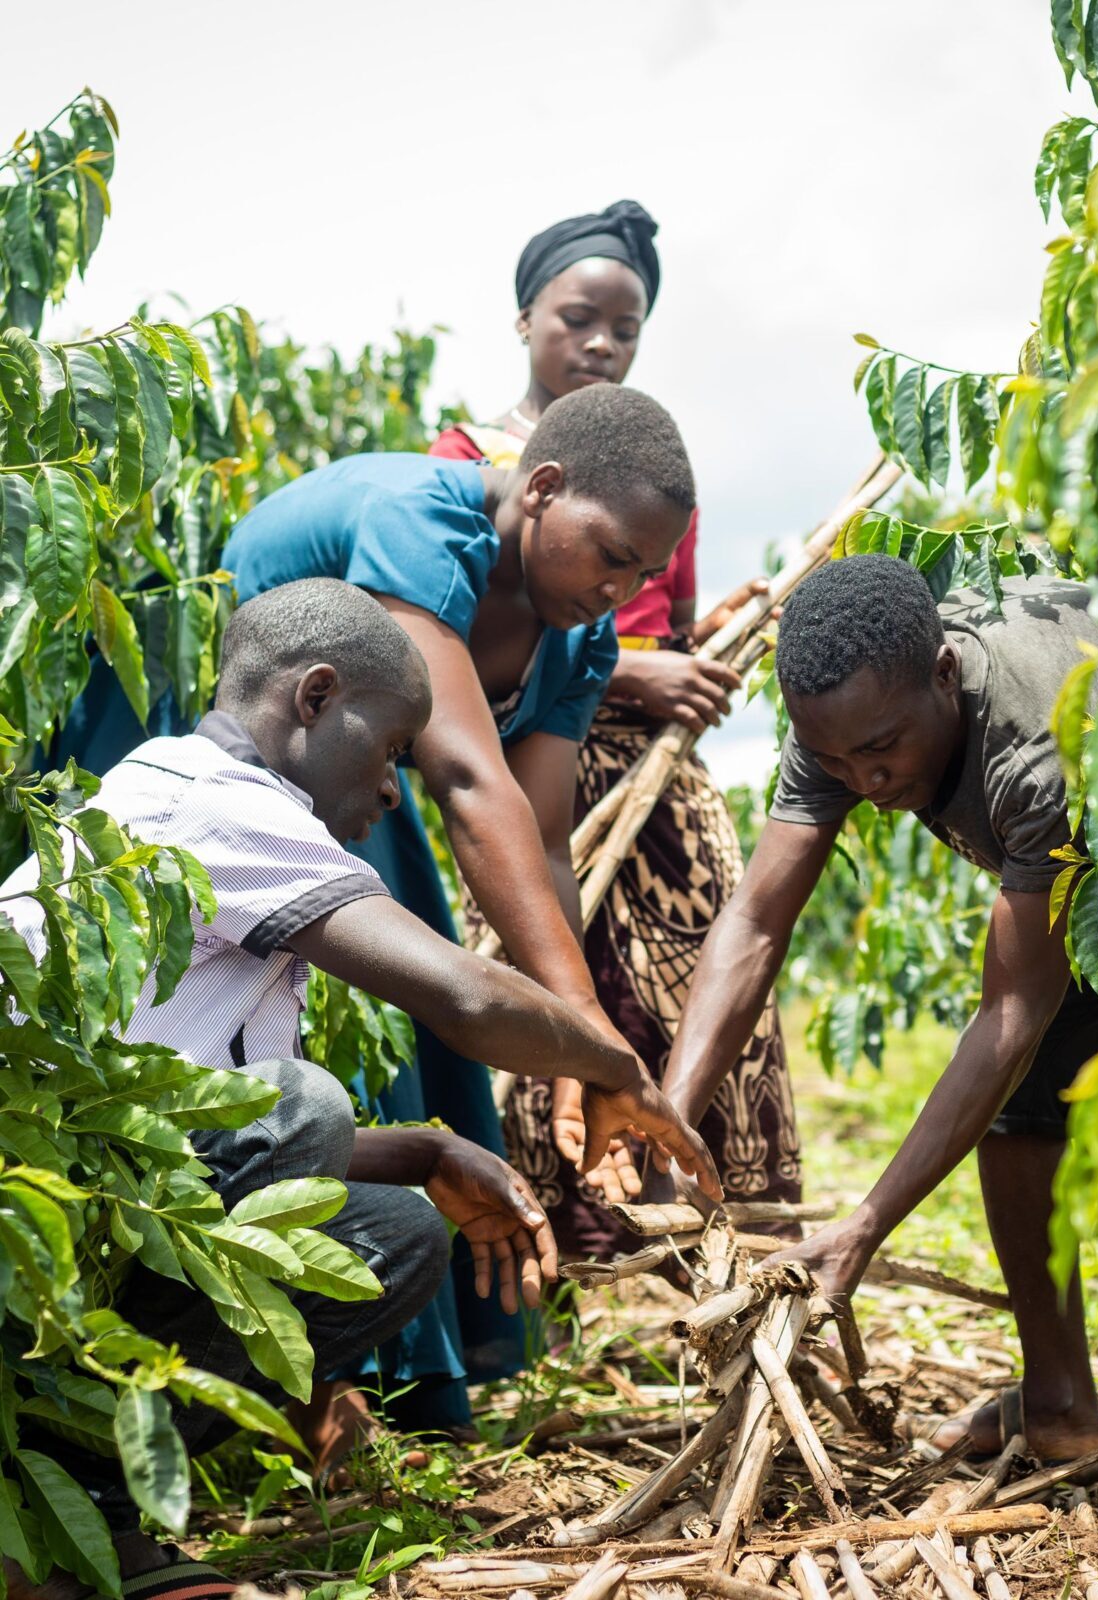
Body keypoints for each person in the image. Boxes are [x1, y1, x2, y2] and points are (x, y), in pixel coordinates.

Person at [0, 580, 720, 1600]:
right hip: (30, 1234)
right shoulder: (219, 801)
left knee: (399, 1233)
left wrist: (425, 1152)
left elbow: (171, 1121)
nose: (393, 791)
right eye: (389, 750)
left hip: (63, 1209)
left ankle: (73, 1492)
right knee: (304, 1104)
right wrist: (615, 1064)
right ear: (315, 697)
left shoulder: (179, 791)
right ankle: (61, 1524)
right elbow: (463, 997)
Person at [658, 555, 1098, 1587]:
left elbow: (1012, 1007)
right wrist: (668, 1113)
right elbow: (752, 924)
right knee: (1022, 1107)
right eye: (838, 760)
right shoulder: (836, 728)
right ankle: (1059, 1402)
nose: (867, 784)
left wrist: (865, 1223)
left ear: (941, 675)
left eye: (883, 751)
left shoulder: (1028, 743)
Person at [219, 384, 698, 1431]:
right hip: (242, 756)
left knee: (429, 1006)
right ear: (540, 487)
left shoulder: (579, 642)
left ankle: (413, 1368)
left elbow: (538, 837)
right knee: (371, 1008)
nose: (619, 587)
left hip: (351, 777)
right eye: (609, 552)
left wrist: (579, 1037)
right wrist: (596, 1048)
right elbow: (467, 783)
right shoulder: (420, 522)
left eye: (644, 574)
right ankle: (319, 1377)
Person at [431, 200, 799, 1256]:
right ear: (523, 319)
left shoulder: (653, 474)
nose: (600, 344)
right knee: (533, 984)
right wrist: (634, 678)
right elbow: (466, 644)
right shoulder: (464, 460)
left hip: (658, 786)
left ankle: (713, 1242)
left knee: (699, 993)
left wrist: (706, 640)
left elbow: (662, 623)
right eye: (577, 319)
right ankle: (540, 1260)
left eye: (624, 330)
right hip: (530, 767)